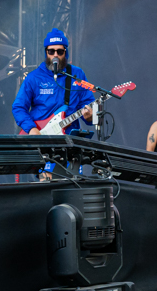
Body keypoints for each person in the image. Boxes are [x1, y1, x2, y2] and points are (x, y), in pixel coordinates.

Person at [13, 28, 95, 180]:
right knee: (48, 184)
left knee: (75, 185)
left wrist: (90, 116)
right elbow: (18, 107)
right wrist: (31, 129)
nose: (55, 55)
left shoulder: (77, 74)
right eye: (51, 51)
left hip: (70, 145)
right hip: (44, 143)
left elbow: (89, 106)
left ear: (65, 52)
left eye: (59, 51)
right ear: (46, 52)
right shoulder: (34, 78)